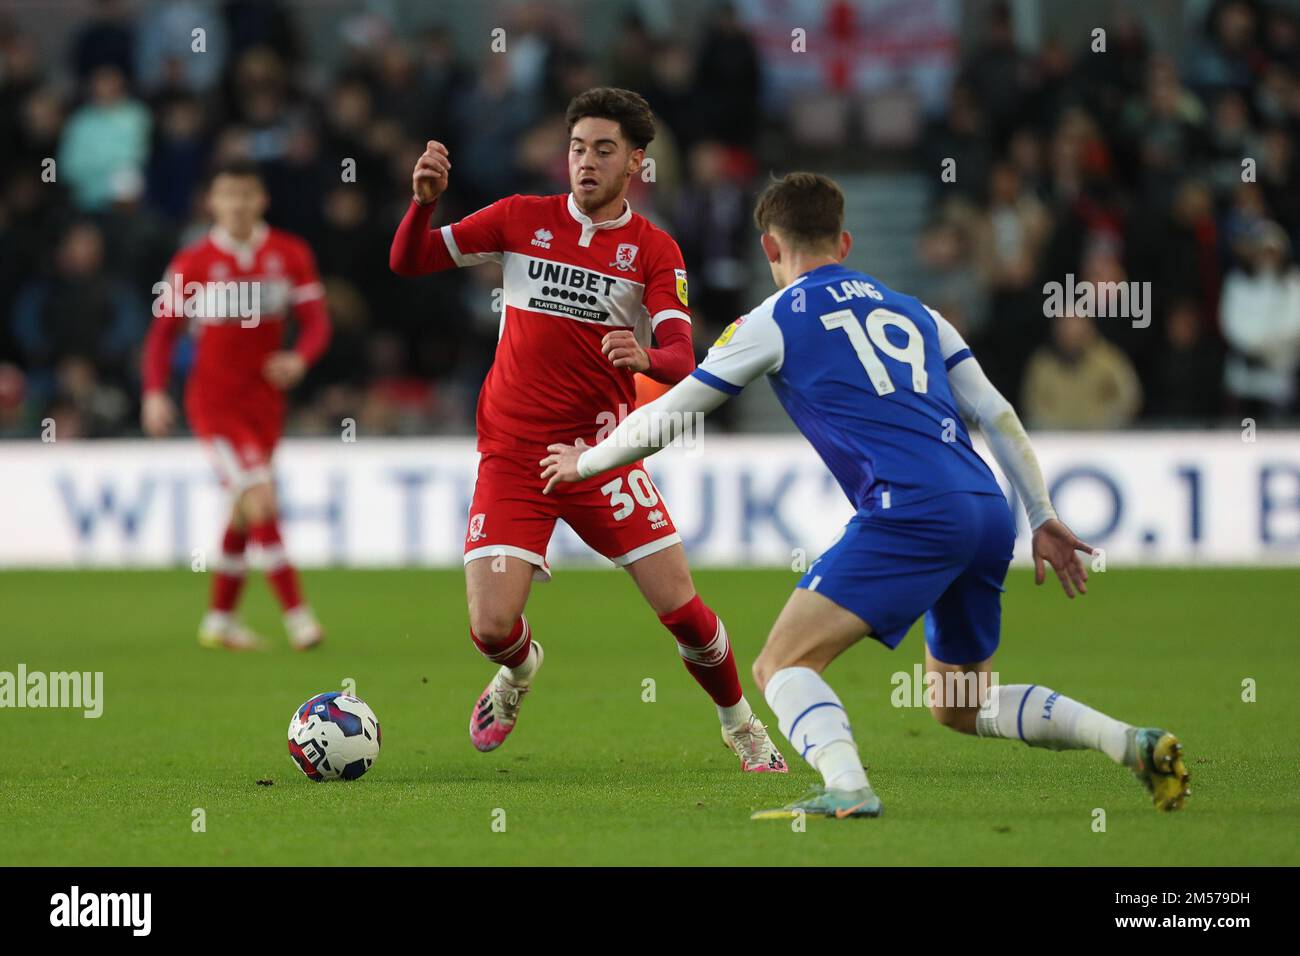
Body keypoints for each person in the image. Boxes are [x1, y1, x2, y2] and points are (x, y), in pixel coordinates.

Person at [541, 172, 1190, 819]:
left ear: (770, 249)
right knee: (961, 703)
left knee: (780, 665)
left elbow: (674, 412)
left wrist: (586, 461)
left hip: (909, 511)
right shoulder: (919, 312)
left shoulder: (771, 321)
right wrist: (1042, 515)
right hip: (987, 508)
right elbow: (997, 415)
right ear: (844, 242)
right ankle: (1129, 742)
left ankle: (848, 785)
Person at [389, 87, 785, 771]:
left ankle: (741, 723)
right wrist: (424, 201)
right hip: (513, 454)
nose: (586, 162)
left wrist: (647, 357)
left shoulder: (654, 250)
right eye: (577, 148)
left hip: (601, 454)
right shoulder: (519, 218)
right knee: (490, 628)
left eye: (604, 150)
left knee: (684, 613)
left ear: (636, 162)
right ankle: (518, 671)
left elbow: (681, 357)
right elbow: (408, 261)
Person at [142, 159, 331, 651]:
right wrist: (154, 392)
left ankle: (219, 622)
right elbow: (162, 336)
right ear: (213, 202)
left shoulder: (289, 254)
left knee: (244, 512)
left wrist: (299, 359)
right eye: (228, 196)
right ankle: (300, 619)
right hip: (214, 404)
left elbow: (316, 323)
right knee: (262, 499)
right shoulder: (192, 262)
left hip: (266, 404)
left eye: (247, 195)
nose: (238, 205)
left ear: (261, 199)